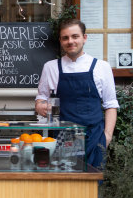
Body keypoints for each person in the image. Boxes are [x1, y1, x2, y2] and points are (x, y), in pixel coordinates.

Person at [35, 19, 119, 168]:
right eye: (65, 38)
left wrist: (107, 137)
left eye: (75, 36)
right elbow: (41, 99)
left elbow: (111, 104)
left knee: (93, 186)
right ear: (61, 41)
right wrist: (41, 106)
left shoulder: (102, 67)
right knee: (65, 186)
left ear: (84, 38)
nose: (70, 41)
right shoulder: (51, 67)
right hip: (62, 138)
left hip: (94, 137)